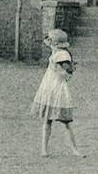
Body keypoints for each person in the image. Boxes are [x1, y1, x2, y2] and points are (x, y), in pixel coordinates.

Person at [32, 29, 84, 158]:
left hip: (55, 87)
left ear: (54, 42)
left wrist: (69, 69)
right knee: (49, 121)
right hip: (51, 86)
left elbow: (68, 69)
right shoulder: (57, 53)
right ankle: (45, 150)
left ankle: (73, 150)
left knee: (64, 122)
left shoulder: (61, 54)